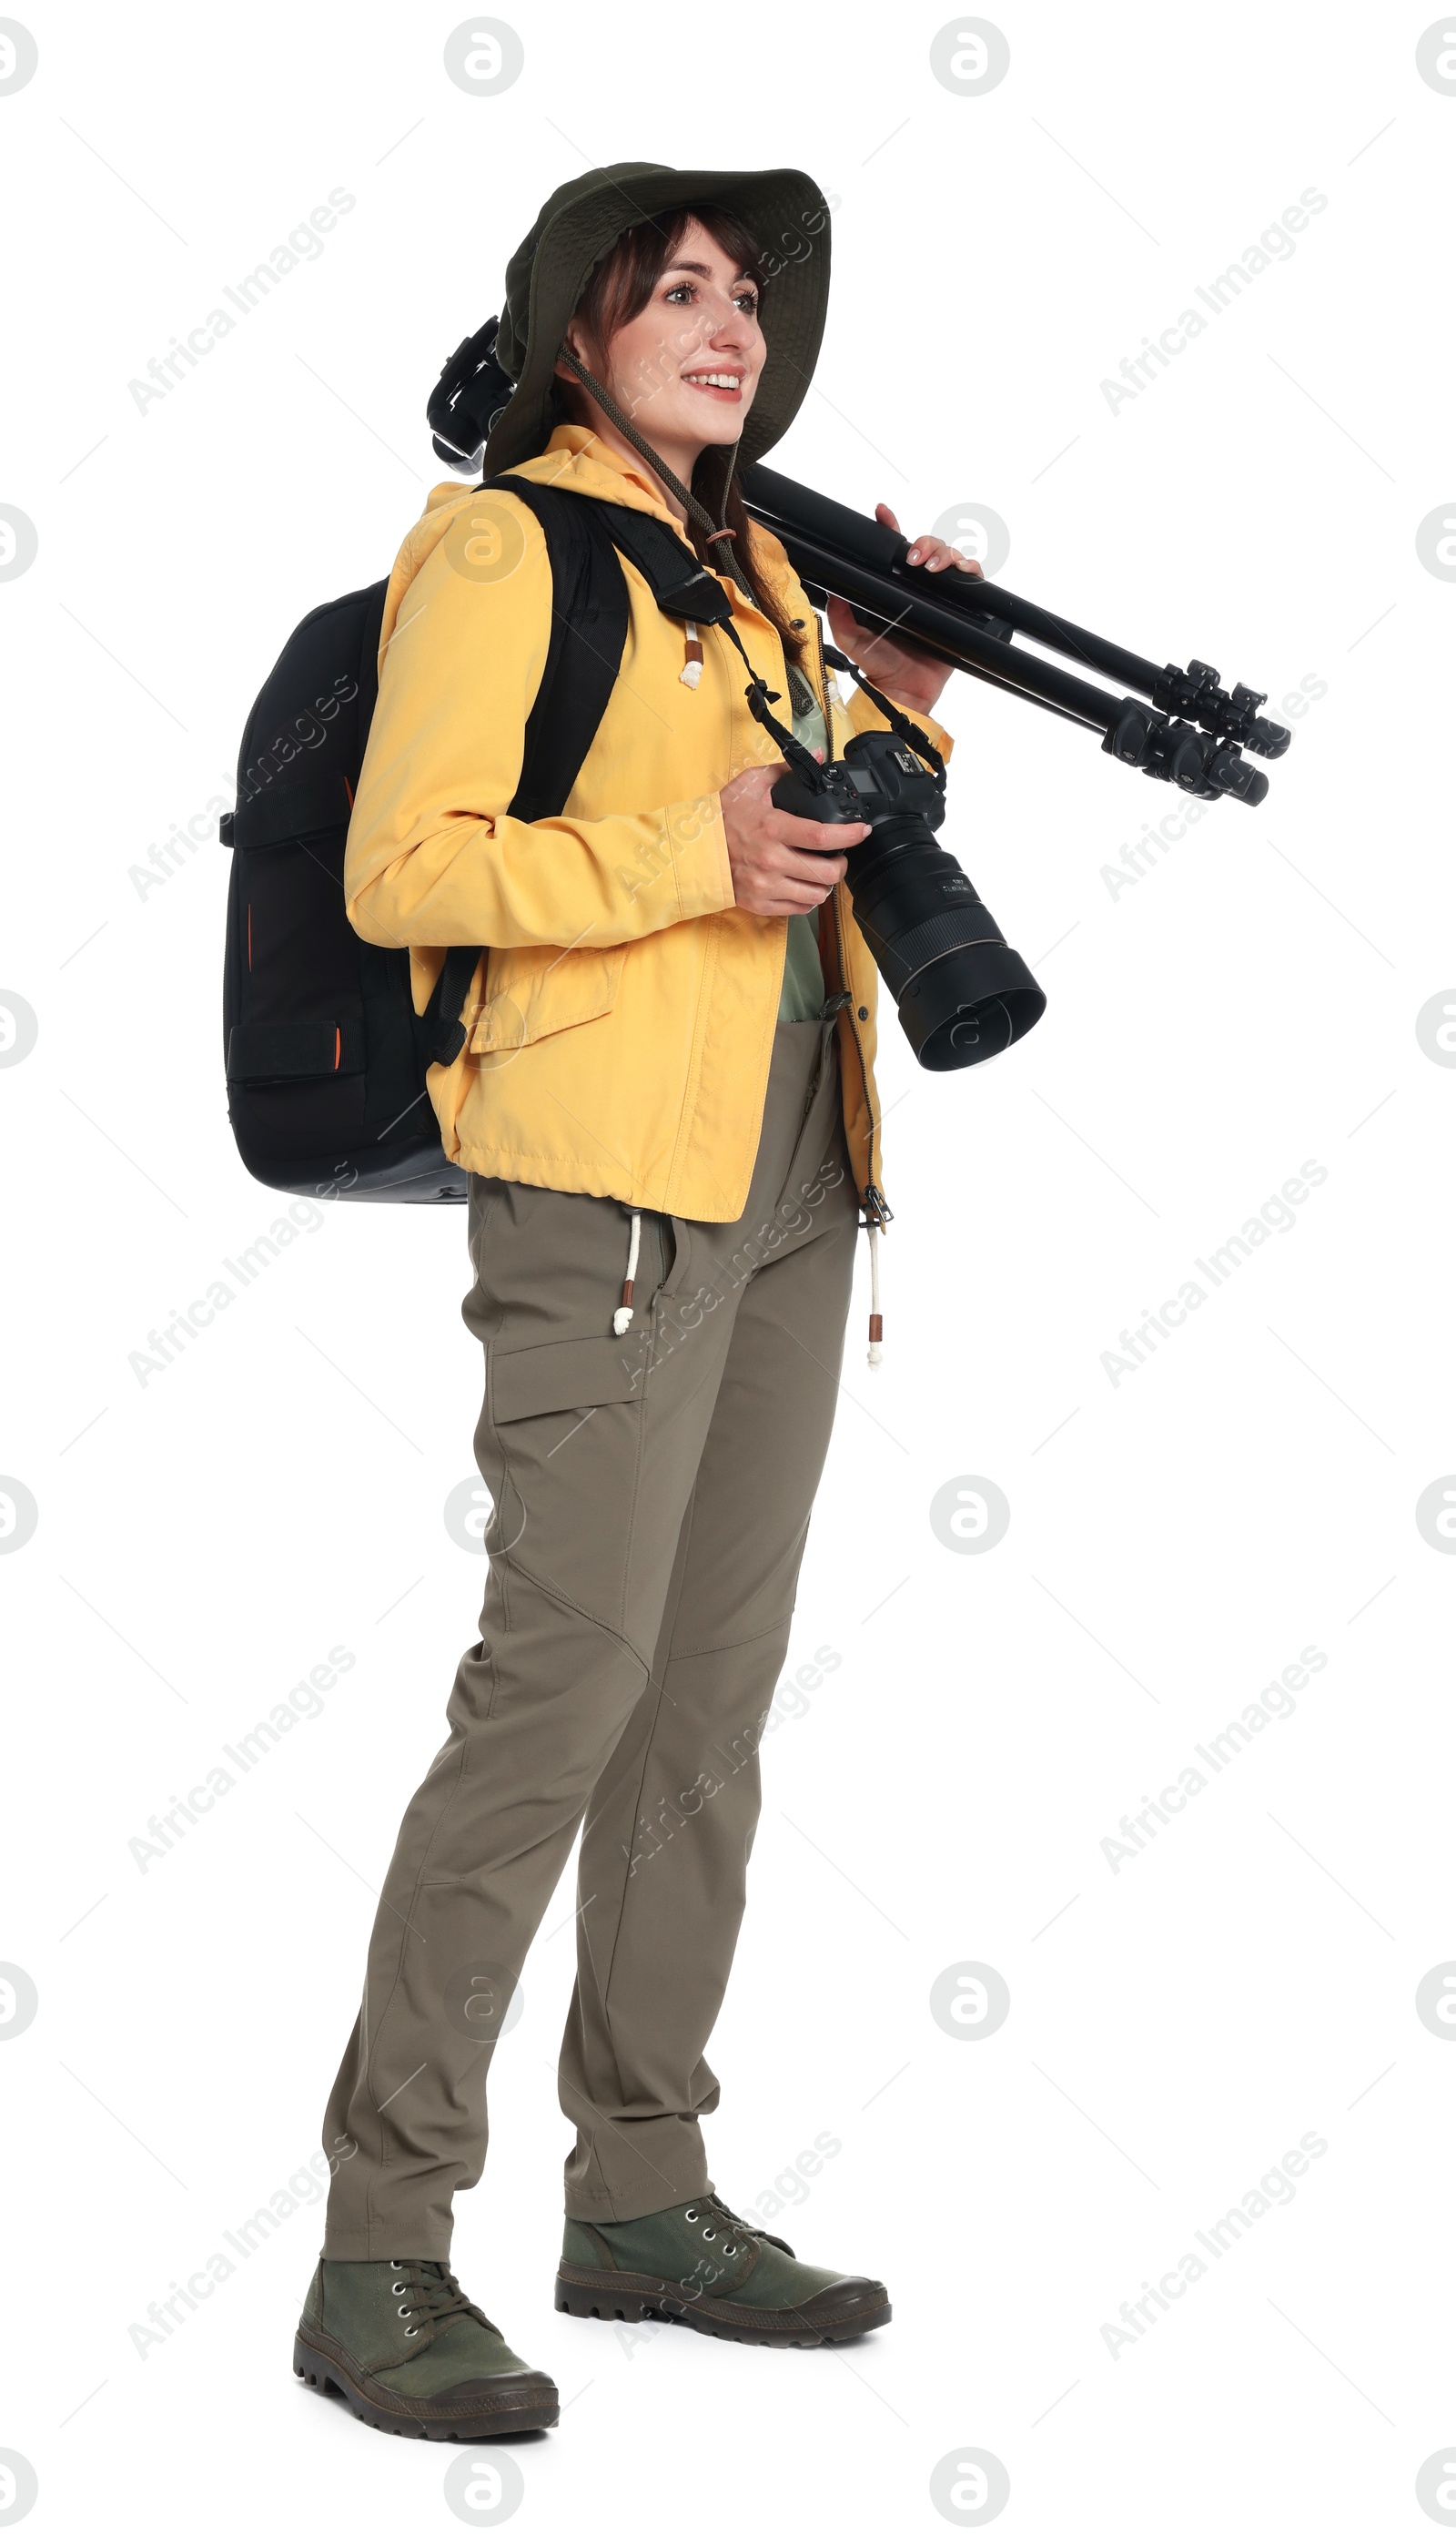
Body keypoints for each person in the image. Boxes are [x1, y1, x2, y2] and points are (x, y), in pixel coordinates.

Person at [293, 161, 981, 2442]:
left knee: (702, 1710)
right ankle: (381, 2251)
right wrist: (685, 858)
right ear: (575, 333)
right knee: (553, 1701)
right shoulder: (505, 548)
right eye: (670, 289)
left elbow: (815, 848)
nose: (726, 320)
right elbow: (411, 860)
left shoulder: (763, 567)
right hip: (598, 1191)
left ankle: (640, 2194)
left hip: (796, 1174)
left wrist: (891, 705)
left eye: (746, 295)